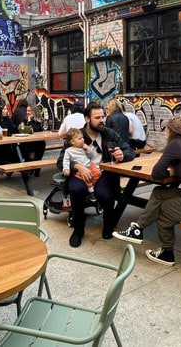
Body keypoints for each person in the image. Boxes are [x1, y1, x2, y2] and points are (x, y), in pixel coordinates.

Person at [113, 114, 181, 267]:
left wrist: (170, 172)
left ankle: (166, 253)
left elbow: (157, 173)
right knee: (159, 193)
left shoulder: (176, 144)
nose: (165, 132)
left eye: (167, 129)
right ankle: (137, 229)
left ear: (173, 132)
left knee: (163, 211)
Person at [57, 102, 135, 247]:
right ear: (87, 119)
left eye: (103, 117)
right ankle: (78, 229)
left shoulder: (108, 133)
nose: (102, 120)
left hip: (103, 173)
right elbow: (61, 161)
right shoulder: (76, 136)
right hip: (80, 173)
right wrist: (77, 166)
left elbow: (130, 151)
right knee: (76, 189)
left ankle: (108, 226)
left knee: (106, 194)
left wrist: (122, 155)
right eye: (97, 117)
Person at [62, 128, 102, 202]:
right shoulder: (69, 150)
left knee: (98, 173)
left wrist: (88, 149)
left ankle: (92, 185)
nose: (83, 139)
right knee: (86, 179)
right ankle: (91, 191)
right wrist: (66, 169)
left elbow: (91, 156)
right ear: (72, 141)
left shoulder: (83, 147)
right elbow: (66, 160)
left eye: (82, 137)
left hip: (90, 165)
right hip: (79, 170)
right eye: (80, 139)